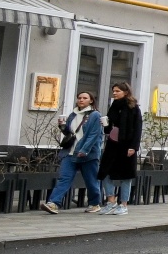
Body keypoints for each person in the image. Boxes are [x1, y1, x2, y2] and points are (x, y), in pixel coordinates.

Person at [43, 92, 103, 214]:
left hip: (88, 154)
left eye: (85, 98)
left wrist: (85, 150)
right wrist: (62, 127)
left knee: (91, 180)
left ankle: (94, 203)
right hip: (70, 152)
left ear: (91, 101)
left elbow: (94, 135)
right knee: (64, 178)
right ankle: (53, 203)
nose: (81, 100)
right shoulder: (73, 114)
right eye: (79, 98)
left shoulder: (95, 115)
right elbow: (70, 134)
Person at [97, 83, 142, 215]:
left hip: (127, 144)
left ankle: (124, 204)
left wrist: (134, 147)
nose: (114, 93)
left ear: (126, 92)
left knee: (126, 175)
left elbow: (138, 129)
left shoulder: (133, 108)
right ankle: (111, 201)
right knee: (104, 172)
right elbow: (109, 126)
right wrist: (105, 125)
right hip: (112, 143)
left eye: (117, 91)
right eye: (113, 91)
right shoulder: (114, 106)